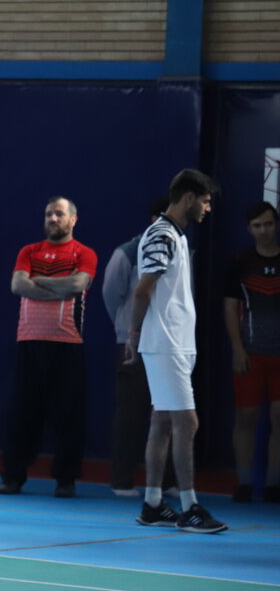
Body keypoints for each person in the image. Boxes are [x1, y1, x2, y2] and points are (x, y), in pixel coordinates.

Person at [127, 168, 226, 533]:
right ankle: (189, 508)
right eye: (205, 201)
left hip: (176, 343)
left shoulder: (175, 236)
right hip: (166, 343)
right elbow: (143, 289)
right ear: (188, 198)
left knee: (164, 421)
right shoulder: (162, 235)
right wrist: (133, 333)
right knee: (187, 421)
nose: (207, 208)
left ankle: (153, 503)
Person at [0, 197, 97, 499]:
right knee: (22, 414)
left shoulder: (84, 253)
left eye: (59, 214)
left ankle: (66, 480)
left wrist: (38, 281)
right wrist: (58, 285)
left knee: (68, 416)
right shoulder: (29, 252)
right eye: (48, 214)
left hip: (67, 344)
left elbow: (78, 285)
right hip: (30, 343)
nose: (53, 219)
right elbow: (18, 286)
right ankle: (13, 477)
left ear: (73, 220)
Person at [103, 195, 176, 497]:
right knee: (131, 413)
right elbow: (111, 294)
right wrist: (126, 330)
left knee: (169, 413)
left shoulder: (181, 251)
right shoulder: (127, 253)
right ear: (154, 219)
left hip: (168, 344)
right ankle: (122, 480)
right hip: (133, 343)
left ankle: (167, 481)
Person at [223, 201, 280, 503]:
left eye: (268, 224)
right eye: (257, 226)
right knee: (246, 417)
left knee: (279, 417)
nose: (264, 230)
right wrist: (237, 348)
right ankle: (244, 483)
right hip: (250, 354)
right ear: (249, 229)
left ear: (276, 225)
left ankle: (273, 485)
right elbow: (230, 307)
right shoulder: (240, 262)